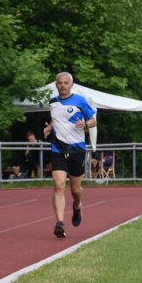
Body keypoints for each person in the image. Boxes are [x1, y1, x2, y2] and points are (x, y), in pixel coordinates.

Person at [43, 72, 96, 238]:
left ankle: (77, 205)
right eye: (60, 83)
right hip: (58, 149)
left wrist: (84, 124)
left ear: (71, 85)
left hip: (76, 149)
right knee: (59, 185)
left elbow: (93, 120)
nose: (63, 85)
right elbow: (57, 119)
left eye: (66, 83)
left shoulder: (80, 101)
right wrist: (50, 128)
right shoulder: (53, 102)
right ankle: (59, 223)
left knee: (75, 189)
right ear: (56, 84)